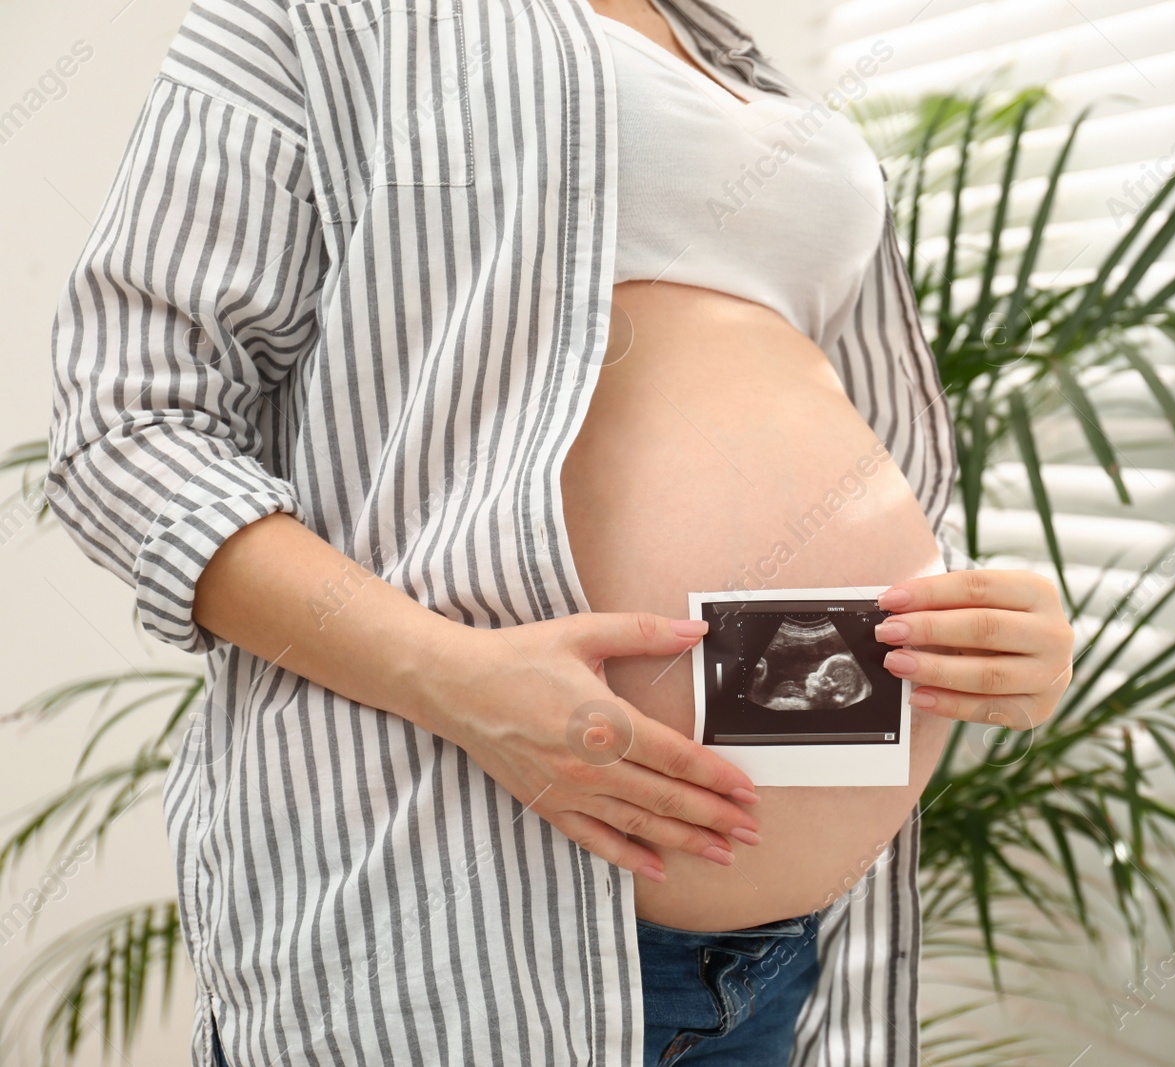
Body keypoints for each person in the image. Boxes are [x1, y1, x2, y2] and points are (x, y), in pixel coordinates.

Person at [45, 0, 1074, 1062]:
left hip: (783, 972)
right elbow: (128, 430)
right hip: (455, 943)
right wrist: (458, 677)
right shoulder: (327, 17)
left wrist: (984, 634)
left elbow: (813, 432)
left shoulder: (749, 69)